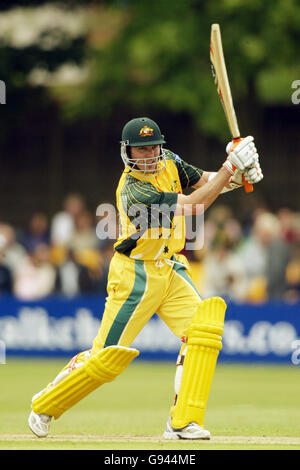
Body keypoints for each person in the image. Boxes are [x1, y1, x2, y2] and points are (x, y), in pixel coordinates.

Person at [28, 117, 263, 439]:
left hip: (170, 265)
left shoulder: (170, 161)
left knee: (203, 332)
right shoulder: (133, 190)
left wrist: (240, 173)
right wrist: (229, 168)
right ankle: (45, 404)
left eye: (153, 146)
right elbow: (195, 205)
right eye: (141, 149)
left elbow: (209, 182)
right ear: (128, 152)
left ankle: (182, 422)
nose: (150, 154)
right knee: (107, 358)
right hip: (134, 274)